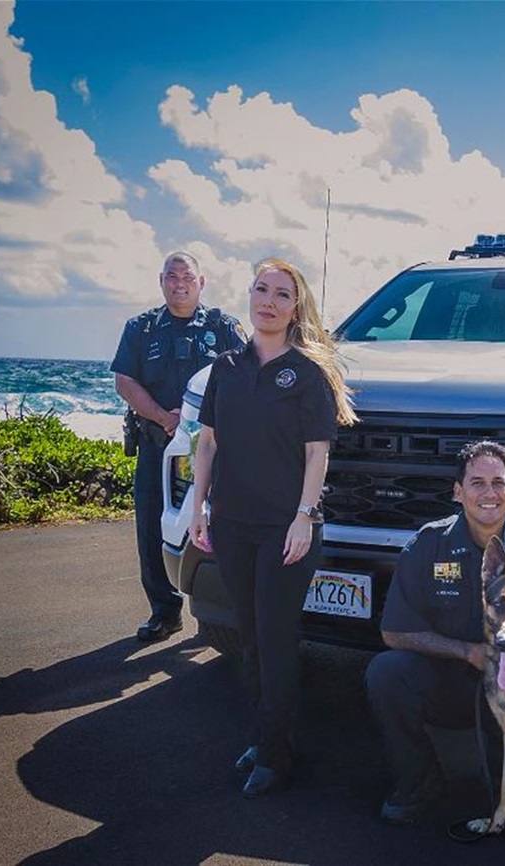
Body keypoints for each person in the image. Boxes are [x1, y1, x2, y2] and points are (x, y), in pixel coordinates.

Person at [188, 256, 358, 797]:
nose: (268, 301)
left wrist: (305, 517)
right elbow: (208, 443)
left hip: (287, 530)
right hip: (232, 525)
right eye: (261, 289)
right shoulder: (226, 367)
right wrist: (198, 509)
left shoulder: (308, 373)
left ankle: (276, 756)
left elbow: (317, 455)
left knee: (277, 637)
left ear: (295, 307)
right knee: (249, 638)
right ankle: (265, 738)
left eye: (282, 294)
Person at [365, 440, 505, 826]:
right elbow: (394, 631)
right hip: (452, 683)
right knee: (385, 672)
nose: (489, 494)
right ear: (458, 492)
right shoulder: (428, 544)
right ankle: (418, 780)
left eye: (498, 482)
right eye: (476, 483)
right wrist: (466, 651)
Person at [112, 251, 245, 643]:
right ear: (161, 281)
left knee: (224, 525)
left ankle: (226, 610)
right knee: (154, 528)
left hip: (215, 450)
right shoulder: (140, 328)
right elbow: (125, 381)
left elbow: (248, 374)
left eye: (188, 277)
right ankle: (164, 613)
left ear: (202, 283)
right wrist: (164, 418)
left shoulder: (223, 327)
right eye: (172, 277)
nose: (180, 283)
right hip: (158, 445)